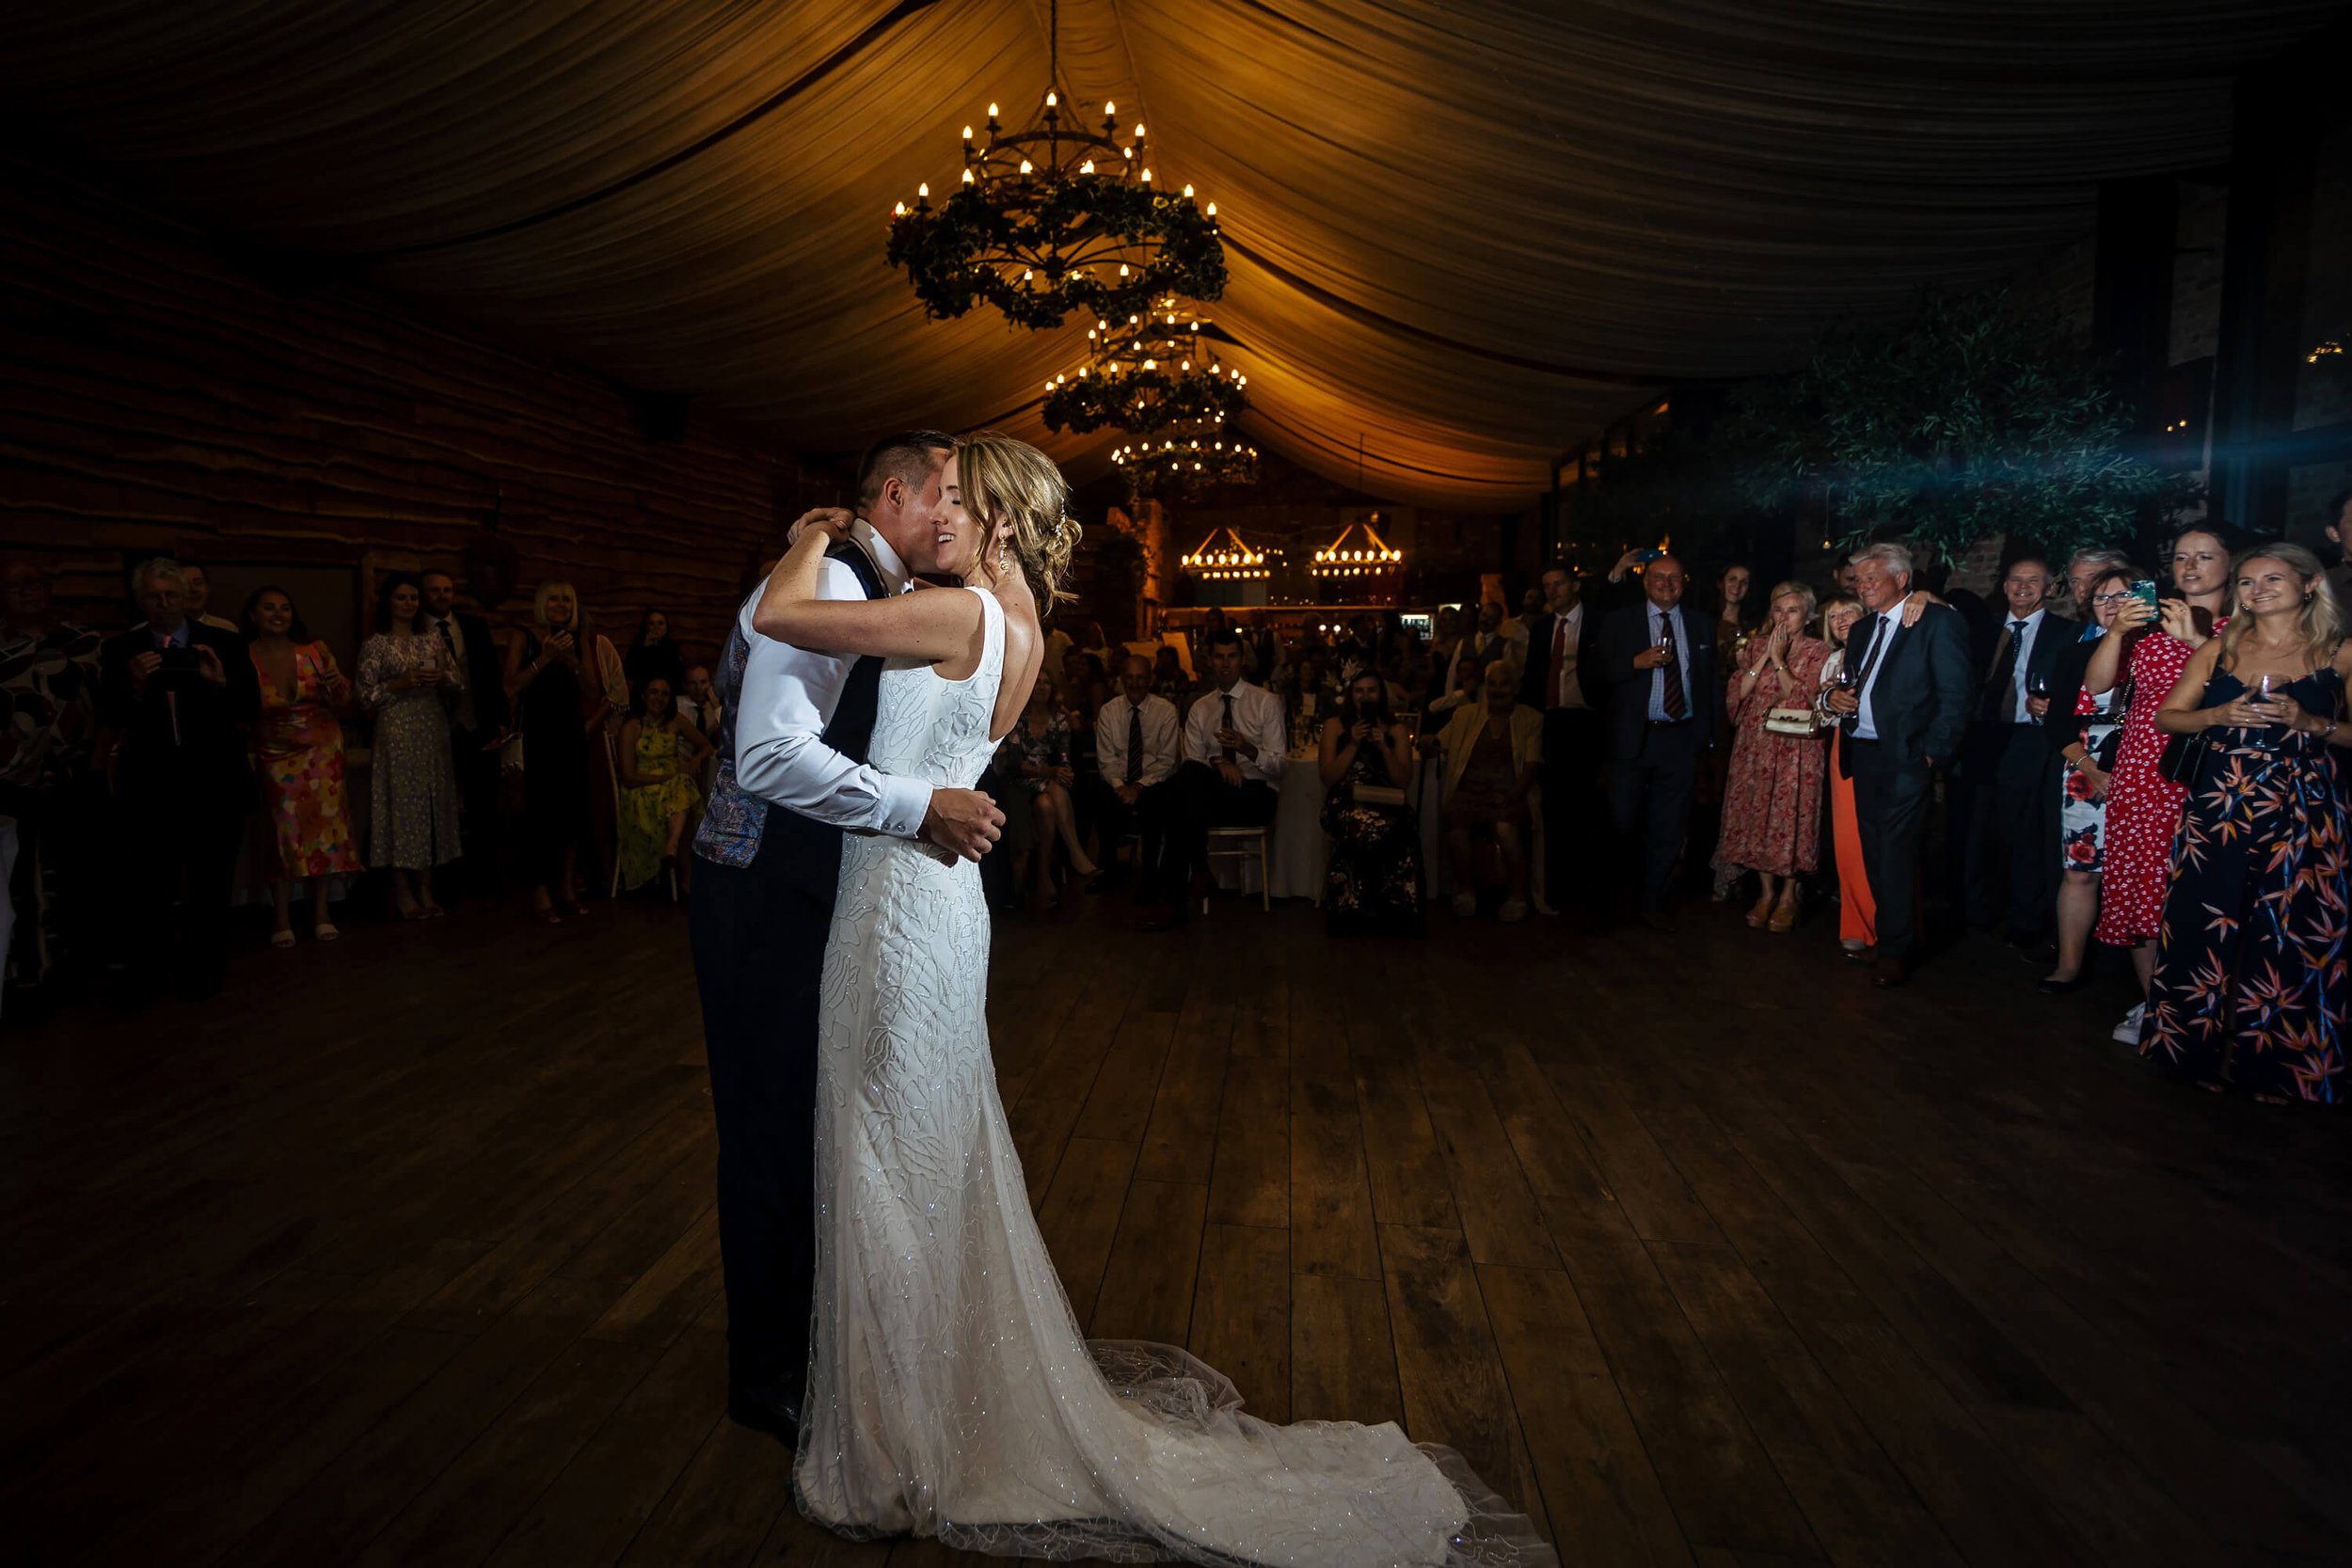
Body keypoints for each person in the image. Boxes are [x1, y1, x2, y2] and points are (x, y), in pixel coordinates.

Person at [751, 431, 1549, 1565]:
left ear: (1003, 524)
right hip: (942, 907)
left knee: (889, 1155)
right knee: (928, 1154)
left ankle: (897, 1447)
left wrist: (806, 537)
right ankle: (929, 1411)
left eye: (959, 502)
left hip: (893, 908)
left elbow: (777, 620)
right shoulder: (1024, 628)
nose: (937, 516)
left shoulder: (957, 615)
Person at [689, 430, 1004, 1449]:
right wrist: (918, 807)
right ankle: (766, 1369)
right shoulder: (828, 569)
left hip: (821, 886)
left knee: (818, 1116)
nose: (955, 513)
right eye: (946, 493)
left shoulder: (870, 581)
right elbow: (773, 752)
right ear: (899, 493)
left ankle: (817, 1334)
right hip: (761, 889)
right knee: (770, 1127)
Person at [2142, 544, 2348, 1103]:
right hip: (2222, 807)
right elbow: (2169, 715)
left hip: (2305, 805)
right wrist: (2218, 714)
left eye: (2272, 578)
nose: (2257, 589)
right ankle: (2190, 1054)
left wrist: (2312, 722)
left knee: (2293, 928)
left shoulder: (2340, 651)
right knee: (2204, 922)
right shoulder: (2219, 649)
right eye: (2249, 581)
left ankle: (2282, 1070)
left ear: (2309, 585)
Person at [2088, 526, 2233, 1043]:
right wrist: (2115, 632)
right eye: (2180, 557)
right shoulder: (2146, 629)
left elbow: (2237, 696)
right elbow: (2098, 685)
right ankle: (2155, 1007)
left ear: (2229, 564)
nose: (2189, 566)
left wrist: (2199, 642)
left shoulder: (2242, 630)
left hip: (2201, 775)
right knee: (2136, 890)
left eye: (2204, 556)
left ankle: (2197, 1008)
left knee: (2188, 894)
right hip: (2139, 773)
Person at [96, 559, 260, 1005]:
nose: (164, 604)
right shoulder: (119, 650)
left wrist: (220, 684)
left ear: (187, 596)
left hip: (215, 784)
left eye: (172, 595)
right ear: (139, 599)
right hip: (150, 786)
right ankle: (145, 976)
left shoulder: (223, 642)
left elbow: (251, 708)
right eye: (154, 596)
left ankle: (204, 973)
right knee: (150, 885)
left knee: (211, 885)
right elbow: (109, 716)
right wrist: (134, 687)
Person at [1823, 543, 1971, 987]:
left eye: (1872, 578)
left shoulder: (1937, 621)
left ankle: (1896, 950)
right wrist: (1837, 699)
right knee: (1874, 852)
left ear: (1902, 579)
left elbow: (1956, 695)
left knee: (1896, 854)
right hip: (1862, 751)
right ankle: (1888, 938)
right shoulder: (1865, 628)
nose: (1863, 586)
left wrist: (1931, 753)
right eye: (1859, 580)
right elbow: (1855, 683)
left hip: (1906, 756)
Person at [1958, 557, 2073, 948]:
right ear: (2004, 586)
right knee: (1976, 828)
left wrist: (2057, 704)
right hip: (1980, 736)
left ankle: (2027, 918)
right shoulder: (1983, 631)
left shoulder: (2067, 633)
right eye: (2015, 580)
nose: (2023, 587)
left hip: (2030, 738)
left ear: (2051, 588)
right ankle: (1976, 910)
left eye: (2033, 581)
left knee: (2023, 830)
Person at [1599, 552, 1717, 929]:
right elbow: (1594, 673)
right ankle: (1616, 901)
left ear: (1685, 582)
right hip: (1632, 738)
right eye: (1658, 577)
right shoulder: (1619, 622)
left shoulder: (1701, 625)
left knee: (1668, 826)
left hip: (1680, 739)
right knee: (1622, 822)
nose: (1667, 584)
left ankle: (1653, 902)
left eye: (1675, 578)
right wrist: (1634, 663)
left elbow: (1710, 684)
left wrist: (1706, 736)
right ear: (1646, 582)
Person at [1142, 626, 1286, 929]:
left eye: (1232, 656)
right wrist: (1218, 761)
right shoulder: (1201, 707)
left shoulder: (1266, 702)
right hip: (1209, 795)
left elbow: (1280, 767)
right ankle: (1192, 879)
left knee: (1164, 799)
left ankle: (1172, 887)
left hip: (1255, 793)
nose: (1225, 664)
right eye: (1219, 657)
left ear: (1242, 659)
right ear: (1209, 660)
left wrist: (1246, 749)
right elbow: (1192, 763)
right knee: (1182, 791)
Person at [2036, 567, 2135, 992]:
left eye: (2122, 596)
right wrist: (2090, 769)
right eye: (2102, 599)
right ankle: (2070, 965)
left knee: (2143, 871)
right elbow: (2057, 724)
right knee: (2080, 870)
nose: (2112, 606)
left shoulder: (2164, 647)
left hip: (2151, 762)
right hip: (2086, 763)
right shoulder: (2076, 654)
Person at [244, 585, 359, 944]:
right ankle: (281, 917)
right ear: (253, 616)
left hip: (321, 748)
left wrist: (333, 687)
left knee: (325, 829)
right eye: (269, 608)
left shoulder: (314, 651)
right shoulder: (244, 655)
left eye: (284, 608)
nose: (278, 614)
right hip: (275, 751)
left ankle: (322, 911)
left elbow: (346, 700)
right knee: (282, 831)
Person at [503, 580, 623, 922]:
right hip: (539, 736)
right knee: (542, 814)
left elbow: (591, 688)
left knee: (572, 811)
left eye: (567, 600)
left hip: (571, 733)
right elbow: (510, 685)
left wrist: (570, 657)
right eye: (554, 599)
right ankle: (540, 889)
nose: (561, 605)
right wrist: (545, 657)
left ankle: (567, 885)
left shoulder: (579, 640)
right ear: (542, 603)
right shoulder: (524, 635)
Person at [1719, 581, 1830, 933]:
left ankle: (1789, 897)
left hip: (1796, 751)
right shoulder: (1753, 646)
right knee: (1757, 818)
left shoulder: (1819, 651)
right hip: (1755, 747)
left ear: (1808, 615)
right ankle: (1765, 893)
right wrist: (1766, 654)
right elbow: (1738, 695)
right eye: (1779, 610)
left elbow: (1804, 700)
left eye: (1793, 610)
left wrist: (1780, 660)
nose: (1784, 616)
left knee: (1789, 818)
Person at [359, 572, 463, 918]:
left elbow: (457, 682)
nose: (408, 603)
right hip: (397, 732)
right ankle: (401, 890)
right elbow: (363, 696)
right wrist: (400, 684)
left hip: (432, 729)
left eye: (413, 598)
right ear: (388, 601)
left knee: (431, 808)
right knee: (401, 809)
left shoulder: (432, 640)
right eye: (401, 597)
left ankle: (426, 889)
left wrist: (443, 678)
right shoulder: (377, 644)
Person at [1516, 565, 1603, 919]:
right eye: (1547, 585)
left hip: (1585, 722)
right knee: (1552, 807)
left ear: (1575, 586)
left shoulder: (1598, 623)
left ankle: (1587, 889)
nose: (1552, 591)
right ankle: (1556, 887)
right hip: (1549, 722)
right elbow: (1533, 678)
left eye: (1559, 584)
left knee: (1586, 806)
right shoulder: (1540, 629)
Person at [420, 569, 510, 894]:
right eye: (435, 590)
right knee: (439, 805)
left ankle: (487, 875)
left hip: (478, 725)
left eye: (447, 589)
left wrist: (500, 719)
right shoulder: (415, 632)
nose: (442, 595)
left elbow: (491, 674)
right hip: (435, 728)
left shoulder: (473, 626)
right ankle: (444, 881)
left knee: (484, 803)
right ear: (423, 594)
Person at [1431, 657, 1542, 920]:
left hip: (1511, 794)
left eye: (1505, 684)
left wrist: (1511, 796)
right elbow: (1441, 741)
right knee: (1454, 815)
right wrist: (1427, 742)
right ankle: (1465, 891)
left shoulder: (1531, 718)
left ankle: (1517, 896)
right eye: (1492, 684)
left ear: (1515, 687)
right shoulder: (1466, 714)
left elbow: (1530, 766)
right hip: (1470, 793)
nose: (1498, 690)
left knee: (1505, 825)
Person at [1318, 666, 1421, 935]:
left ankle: (1394, 911)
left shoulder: (1396, 729)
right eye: (1359, 691)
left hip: (1387, 798)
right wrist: (1352, 743)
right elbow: (1328, 778)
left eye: (1371, 690)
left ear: (1381, 694)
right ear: (1351, 695)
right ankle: (1355, 909)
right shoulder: (1334, 726)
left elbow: (1403, 780)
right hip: (1345, 800)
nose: (1365, 697)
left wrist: (1383, 748)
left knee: (1400, 826)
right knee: (1365, 826)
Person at [1002, 679, 1099, 911]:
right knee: (1054, 789)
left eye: (1047, 682)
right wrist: (1052, 772)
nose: (1042, 687)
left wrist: (1063, 772)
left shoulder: (1060, 720)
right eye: (1036, 682)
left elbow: (1064, 756)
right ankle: (1077, 856)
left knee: (1046, 804)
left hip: (1047, 782)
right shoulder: (1017, 718)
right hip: (1020, 781)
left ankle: (1045, 878)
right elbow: (1015, 764)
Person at [1813, 596, 1875, 955]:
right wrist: (1829, 699)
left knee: (1883, 841)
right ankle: (1856, 923)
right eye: (1832, 616)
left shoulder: (1886, 645)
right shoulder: (1833, 660)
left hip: (1884, 747)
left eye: (1847, 612)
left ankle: (1890, 921)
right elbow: (1822, 715)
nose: (1840, 620)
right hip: (1845, 746)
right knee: (1849, 840)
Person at [615, 673, 712, 895]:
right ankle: (684, 873)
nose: (659, 698)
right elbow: (629, 776)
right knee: (684, 793)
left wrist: (695, 760)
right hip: (641, 790)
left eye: (665, 694)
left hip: (673, 788)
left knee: (683, 789)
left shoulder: (676, 721)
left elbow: (706, 745)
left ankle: (672, 846)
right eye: (654, 692)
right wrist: (667, 777)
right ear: (643, 695)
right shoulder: (632, 728)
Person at [1093, 653, 1180, 899]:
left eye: (1140, 678)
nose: (1134, 683)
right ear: (1122, 679)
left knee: (1157, 804)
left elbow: (1167, 762)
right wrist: (1121, 787)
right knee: (1100, 798)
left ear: (1150, 680)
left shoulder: (1166, 712)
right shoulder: (1109, 712)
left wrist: (1139, 787)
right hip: (1118, 781)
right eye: (1129, 678)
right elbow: (1106, 760)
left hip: (1153, 782)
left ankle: (1151, 876)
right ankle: (1108, 870)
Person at [625, 608, 688, 697]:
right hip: (643, 695)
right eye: (651, 624)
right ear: (646, 627)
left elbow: (679, 674)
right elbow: (631, 674)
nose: (656, 627)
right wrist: (646, 649)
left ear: (666, 627)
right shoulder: (636, 648)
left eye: (660, 623)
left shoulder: (673, 648)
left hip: (669, 694)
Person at [177, 562, 239, 634]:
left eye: (198, 583)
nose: (193, 589)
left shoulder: (227, 628)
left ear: (208, 587)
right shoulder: (166, 629)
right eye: (185, 584)